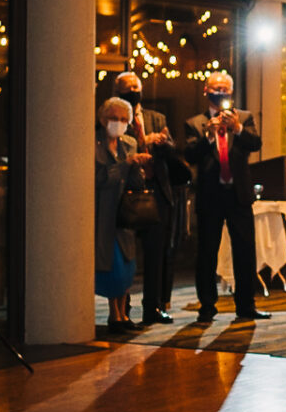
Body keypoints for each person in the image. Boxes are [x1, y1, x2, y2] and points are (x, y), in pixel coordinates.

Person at [182, 70, 269, 323]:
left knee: (245, 251)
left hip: (238, 194)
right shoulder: (195, 123)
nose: (220, 92)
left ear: (231, 91)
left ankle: (246, 306)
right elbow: (190, 155)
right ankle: (207, 307)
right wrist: (209, 136)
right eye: (216, 88)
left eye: (225, 89)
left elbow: (255, 144)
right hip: (210, 195)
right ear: (206, 91)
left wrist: (238, 128)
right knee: (207, 253)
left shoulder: (244, 117)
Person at [113, 71, 186, 325]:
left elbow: (173, 148)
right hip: (127, 192)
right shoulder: (116, 118)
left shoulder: (157, 118)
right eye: (128, 88)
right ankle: (122, 310)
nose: (133, 92)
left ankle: (153, 307)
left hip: (157, 190)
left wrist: (162, 143)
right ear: (118, 92)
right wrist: (143, 140)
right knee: (126, 253)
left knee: (157, 253)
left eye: (136, 87)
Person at [94, 98, 140, 334]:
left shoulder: (129, 143)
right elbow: (98, 178)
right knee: (113, 267)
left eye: (123, 120)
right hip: (103, 213)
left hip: (125, 213)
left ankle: (123, 314)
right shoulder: (93, 143)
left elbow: (135, 181)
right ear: (103, 119)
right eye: (113, 118)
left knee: (128, 265)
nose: (118, 123)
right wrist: (125, 165)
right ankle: (115, 315)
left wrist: (139, 167)